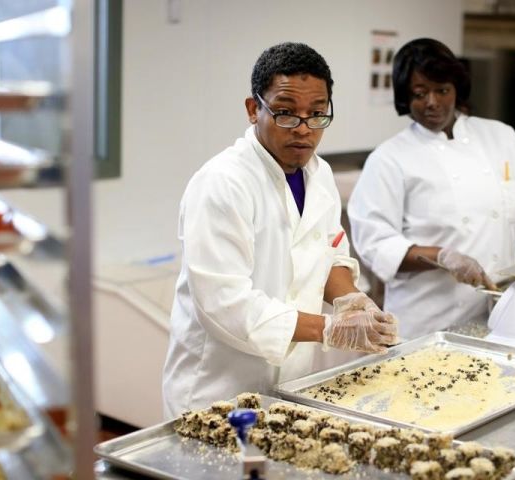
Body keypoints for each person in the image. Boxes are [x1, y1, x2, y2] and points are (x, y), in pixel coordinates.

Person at [162, 42, 397, 417]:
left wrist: (352, 301)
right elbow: (225, 303)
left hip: (292, 382)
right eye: (286, 113)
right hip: (218, 390)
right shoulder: (222, 183)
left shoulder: (319, 175)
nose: (303, 130)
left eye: (316, 114)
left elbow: (329, 254)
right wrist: (329, 328)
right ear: (253, 109)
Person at [347, 38, 515, 337]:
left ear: (457, 89)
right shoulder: (389, 158)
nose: (432, 102)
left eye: (442, 90)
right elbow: (376, 243)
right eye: (420, 93)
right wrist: (443, 256)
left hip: (500, 311)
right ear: (405, 97)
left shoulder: (500, 137)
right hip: (429, 322)